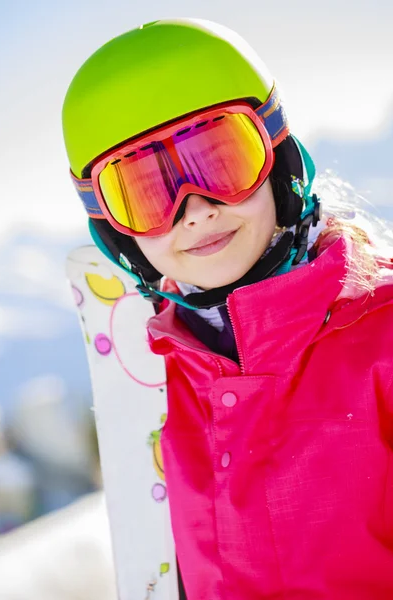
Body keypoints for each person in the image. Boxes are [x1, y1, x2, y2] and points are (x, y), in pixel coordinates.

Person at [62, 18, 393, 600]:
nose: (193, 210)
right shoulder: (159, 380)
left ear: (281, 162)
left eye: (220, 162)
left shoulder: (383, 337)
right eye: (145, 192)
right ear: (114, 231)